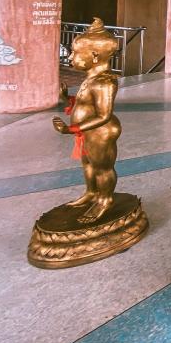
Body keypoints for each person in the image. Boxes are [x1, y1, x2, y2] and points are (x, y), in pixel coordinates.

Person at [52, 18, 121, 223]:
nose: (71, 57)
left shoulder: (105, 82)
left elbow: (103, 115)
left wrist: (71, 129)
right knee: (88, 164)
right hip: (87, 131)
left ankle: (105, 199)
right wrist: (68, 98)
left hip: (101, 131)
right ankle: (92, 192)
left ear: (94, 56)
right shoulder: (91, 78)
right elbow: (86, 104)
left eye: (75, 53)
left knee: (102, 167)